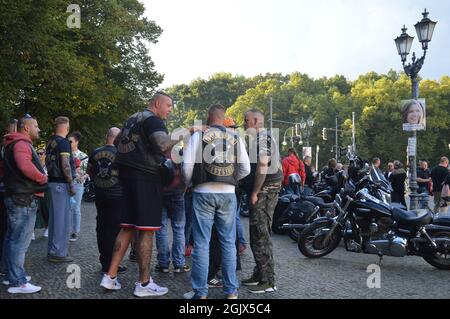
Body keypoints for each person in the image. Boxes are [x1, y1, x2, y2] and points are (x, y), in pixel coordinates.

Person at [100, 92, 192, 297]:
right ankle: (143, 283)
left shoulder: (132, 119)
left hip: (127, 177)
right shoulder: (153, 120)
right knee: (147, 230)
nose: (170, 110)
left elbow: (117, 145)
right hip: (146, 177)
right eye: (168, 105)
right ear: (157, 104)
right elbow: (162, 145)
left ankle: (110, 276)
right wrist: (187, 131)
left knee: (127, 228)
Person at [182, 104, 250, 299]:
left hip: (202, 191)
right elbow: (246, 168)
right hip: (228, 193)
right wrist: (231, 182)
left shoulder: (198, 136)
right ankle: (231, 292)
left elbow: (187, 166)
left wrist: (189, 184)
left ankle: (200, 293)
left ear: (208, 117)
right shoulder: (236, 137)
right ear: (224, 118)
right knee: (229, 243)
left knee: (202, 243)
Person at [2, 115, 47, 293]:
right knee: (19, 241)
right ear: (26, 128)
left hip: (16, 196)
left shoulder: (11, 143)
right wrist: (43, 177)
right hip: (23, 198)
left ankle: (11, 275)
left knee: (12, 239)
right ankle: (17, 282)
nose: (39, 129)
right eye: (36, 126)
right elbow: (25, 166)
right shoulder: (21, 144)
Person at [241, 108, 283, 294]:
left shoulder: (263, 138)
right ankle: (259, 274)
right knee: (257, 233)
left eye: (246, 120)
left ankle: (268, 280)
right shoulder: (263, 137)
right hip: (267, 188)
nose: (244, 124)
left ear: (257, 120)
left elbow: (263, 164)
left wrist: (255, 192)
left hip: (266, 190)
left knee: (260, 234)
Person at [87, 127, 127, 274]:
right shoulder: (121, 154)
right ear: (118, 138)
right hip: (117, 196)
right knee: (115, 231)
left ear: (107, 136)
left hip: (100, 195)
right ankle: (112, 265)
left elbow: (90, 171)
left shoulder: (95, 152)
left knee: (101, 228)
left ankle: (105, 261)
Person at [155, 145, 190, 274]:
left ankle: (163, 264)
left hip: (160, 196)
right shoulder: (179, 153)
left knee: (161, 229)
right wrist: (183, 190)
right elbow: (187, 175)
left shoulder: (159, 154)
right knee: (179, 229)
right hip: (177, 195)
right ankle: (179, 264)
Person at [46, 116, 76, 263]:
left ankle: (52, 250)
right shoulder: (63, 142)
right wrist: (71, 184)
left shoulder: (50, 141)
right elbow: (65, 165)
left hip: (51, 182)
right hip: (60, 184)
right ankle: (58, 252)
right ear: (66, 126)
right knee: (61, 220)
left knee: (54, 219)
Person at [0, 119, 18, 275]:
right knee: (7, 230)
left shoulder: (6, 145)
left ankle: (5, 266)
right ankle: (6, 268)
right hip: (6, 189)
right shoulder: (9, 145)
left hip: (5, 188)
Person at [67, 131, 88, 242]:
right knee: (67, 208)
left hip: (77, 185)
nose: (69, 143)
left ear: (76, 142)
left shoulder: (83, 156)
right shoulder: (65, 154)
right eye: (68, 141)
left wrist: (81, 176)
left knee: (75, 208)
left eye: (71, 141)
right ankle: (66, 229)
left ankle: (74, 231)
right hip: (66, 184)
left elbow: (87, 172)